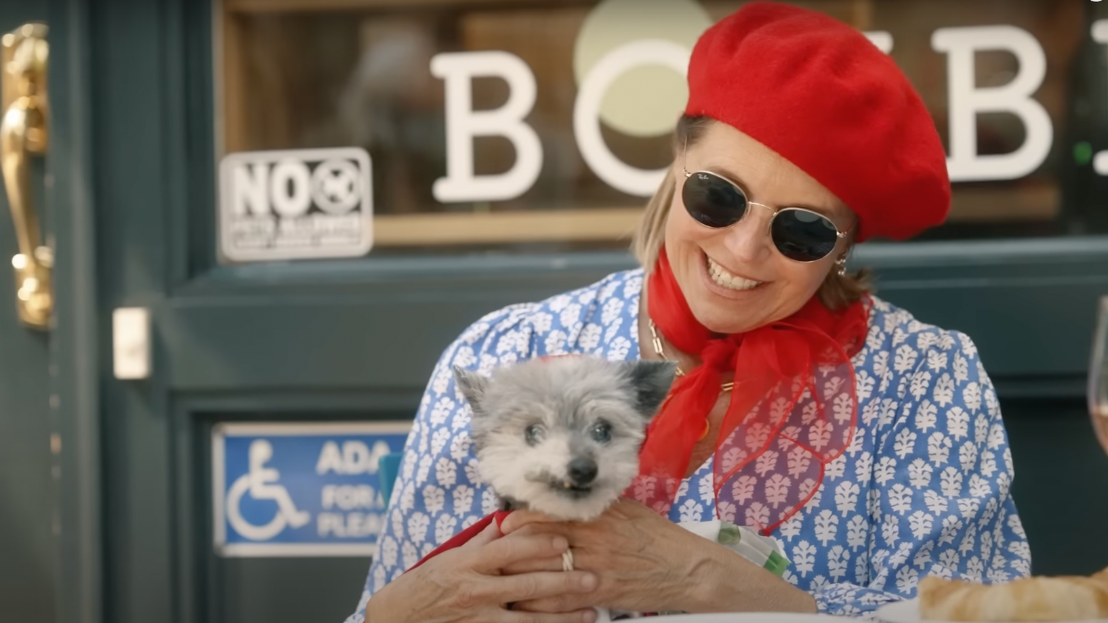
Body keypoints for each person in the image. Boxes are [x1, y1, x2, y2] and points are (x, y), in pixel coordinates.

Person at [345, 3, 1031, 621]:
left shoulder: (924, 381)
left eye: (802, 232)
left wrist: (707, 579)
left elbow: (974, 617)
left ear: (843, 248)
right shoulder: (506, 352)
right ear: (677, 161)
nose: (743, 247)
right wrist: (404, 610)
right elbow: (388, 607)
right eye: (718, 196)